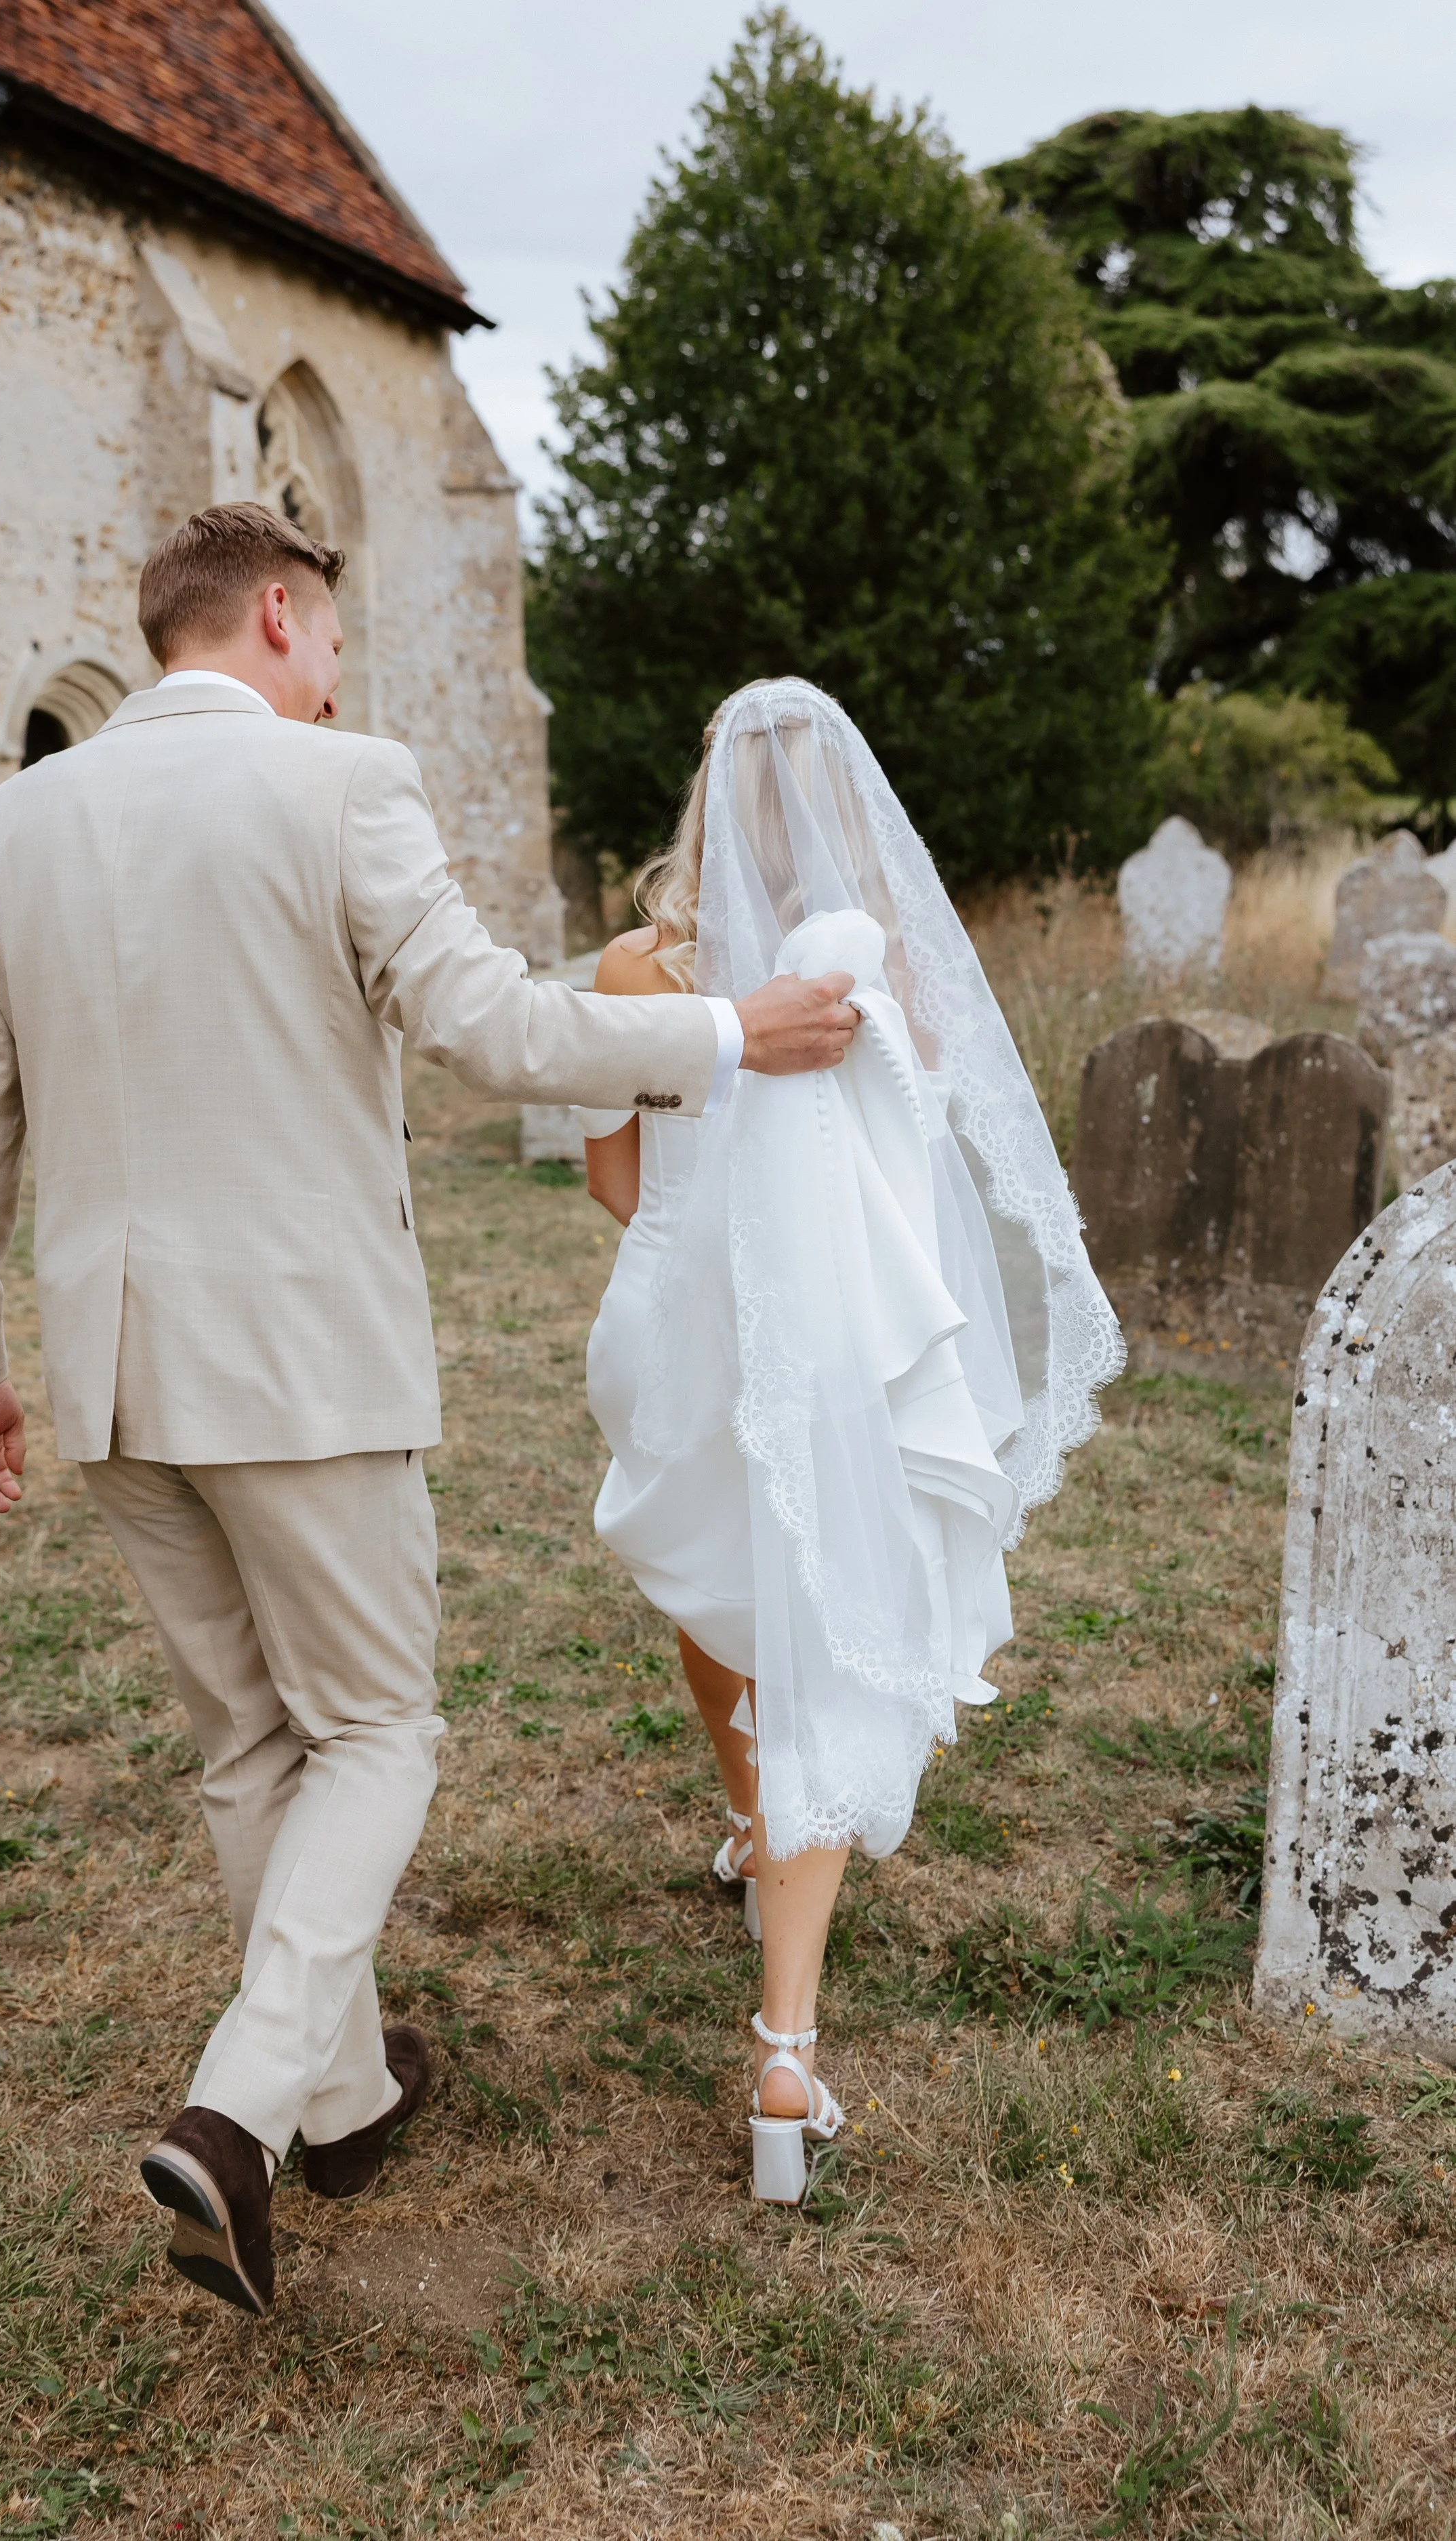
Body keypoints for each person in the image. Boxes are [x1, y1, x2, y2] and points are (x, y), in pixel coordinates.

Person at [0, 510, 862, 2314]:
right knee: (377, 1731)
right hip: (300, 1362)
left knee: (250, 1742)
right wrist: (727, 1033)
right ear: (278, 612)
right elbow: (494, 1027)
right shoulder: (339, 784)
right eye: (330, 637)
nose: (336, 672)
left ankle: (342, 2096)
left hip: (113, 1378)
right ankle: (248, 2104)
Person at [582, 677, 1123, 2203]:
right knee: (819, 1628)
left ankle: (749, 1820)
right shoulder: (884, 976)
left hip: (671, 1322)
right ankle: (784, 2052)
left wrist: (696, 1264)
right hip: (829, 1331)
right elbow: (925, 1168)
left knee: (717, 1585)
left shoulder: (640, 961)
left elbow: (609, 1176)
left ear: (708, 793)